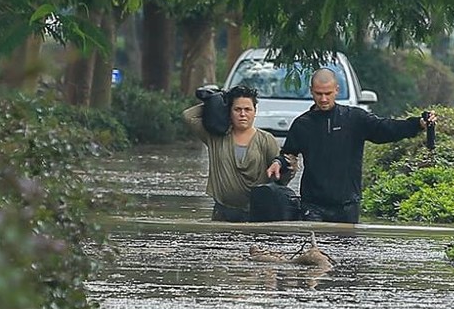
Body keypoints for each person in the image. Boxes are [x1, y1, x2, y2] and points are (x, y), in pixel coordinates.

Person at [278, 68, 437, 223]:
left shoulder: (354, 118)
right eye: (319, 94)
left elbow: (386, 128)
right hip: (312, 206)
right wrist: (278, 163)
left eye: (328, 93)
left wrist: (418, 124)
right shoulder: (302, 124)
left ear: (336, 90)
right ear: (311, 91)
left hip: (347, 205)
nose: (324, 99)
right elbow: (288, 154)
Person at [183, 85, 284, 222]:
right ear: (229, 111)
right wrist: (216, 102)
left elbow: (280, 177)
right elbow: (189, 116)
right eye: (237, 109)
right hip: (223, 212)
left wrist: (282, 166)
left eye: (247, 109)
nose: (243, 114)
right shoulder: (216, 138)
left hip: (256, 214)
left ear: (255, 111)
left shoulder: (266, 140)